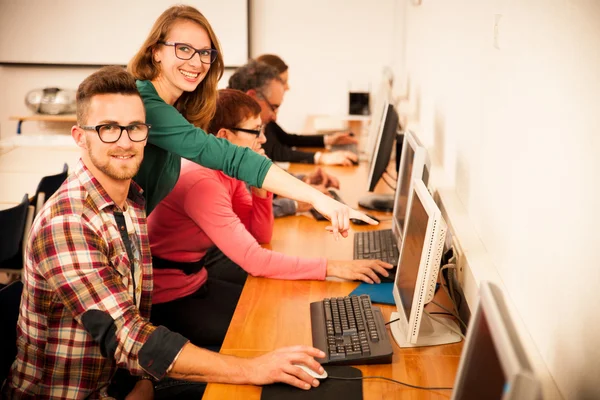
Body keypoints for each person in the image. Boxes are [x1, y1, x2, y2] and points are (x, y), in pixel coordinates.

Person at [2, 67, 329, 400]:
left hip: (126, 379)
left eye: (135, 128)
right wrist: (252, 369)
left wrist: (144, 380)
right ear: (80, 137)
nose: (125, 141)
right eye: (108, 129)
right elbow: (129, 337)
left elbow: (133, 329)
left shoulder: (131, 199)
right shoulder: (67, 223)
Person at [147, 89, 393, 349]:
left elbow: (259, 235)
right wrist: (334, 267)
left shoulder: (225, 172)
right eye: (255, 131)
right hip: (172, 299)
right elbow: (254, 260)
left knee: (281, 310)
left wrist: (261, 190)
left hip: (196, 281)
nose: (263, 139)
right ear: (224, 136)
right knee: (270, 332)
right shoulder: (202, 183)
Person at [128, 5, 371, 239]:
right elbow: (232, 158)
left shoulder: (175, 107)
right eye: (183, 49)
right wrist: (318, 199)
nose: (196, 62)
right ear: (155, 51)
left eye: (204, 52)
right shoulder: (146, 106)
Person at [229, 60, 358, 166]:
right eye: (273, 107)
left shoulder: (242, 121)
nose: (274, 117)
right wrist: (321, 158)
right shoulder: (232, 132)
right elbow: (274, 152)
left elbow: (285, 140)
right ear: (252, 96)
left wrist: (327, 140)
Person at [256, 53, 358, 155]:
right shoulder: (257, 115)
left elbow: (287, 139)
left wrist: (329, 140)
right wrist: (320, 157)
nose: (287, 87)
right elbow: (276, 151)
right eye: (283, 82)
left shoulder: (266, 111)